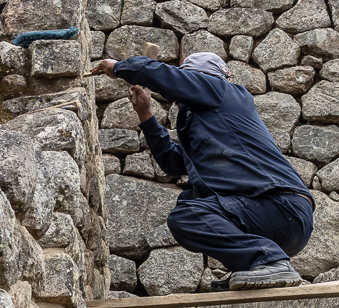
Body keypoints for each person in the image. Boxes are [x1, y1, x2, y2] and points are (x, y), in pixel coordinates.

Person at [90, 45, 314, 289]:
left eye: (186, 85)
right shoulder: (207, 125)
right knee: (188, 207)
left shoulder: (223, 91)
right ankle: (261, 264)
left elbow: (166, 77)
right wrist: (146, 114)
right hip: (263, 216)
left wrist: (120, 67)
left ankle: (270, 260)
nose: (177, 100)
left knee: (188, 215)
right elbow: (172, 162)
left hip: (280, 207)